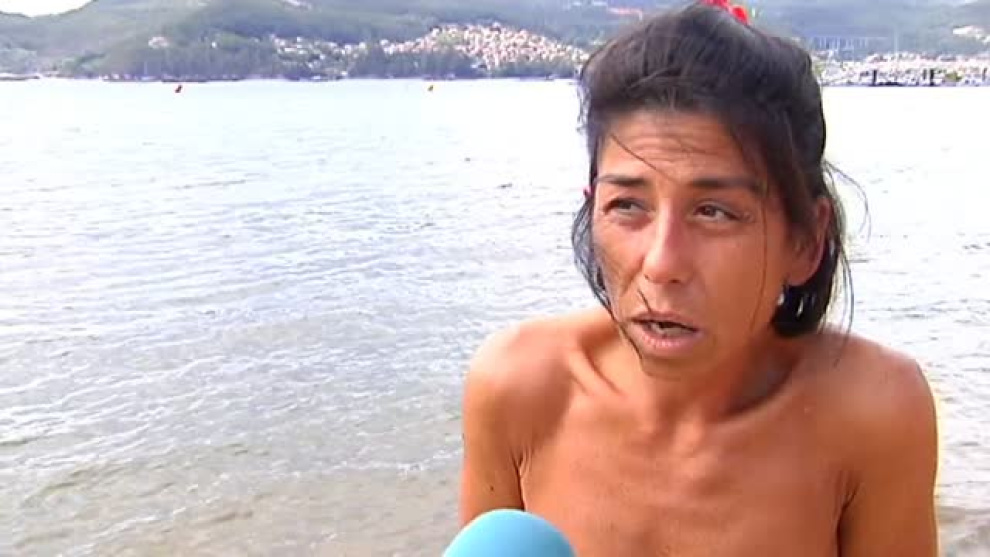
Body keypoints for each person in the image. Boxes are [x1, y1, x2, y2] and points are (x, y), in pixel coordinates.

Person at [457, 2, 940, 556]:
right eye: (628, 205)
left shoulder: (872, 413)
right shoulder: (519, 389)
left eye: (715, 212)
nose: (662, 263)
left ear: (806, 240)